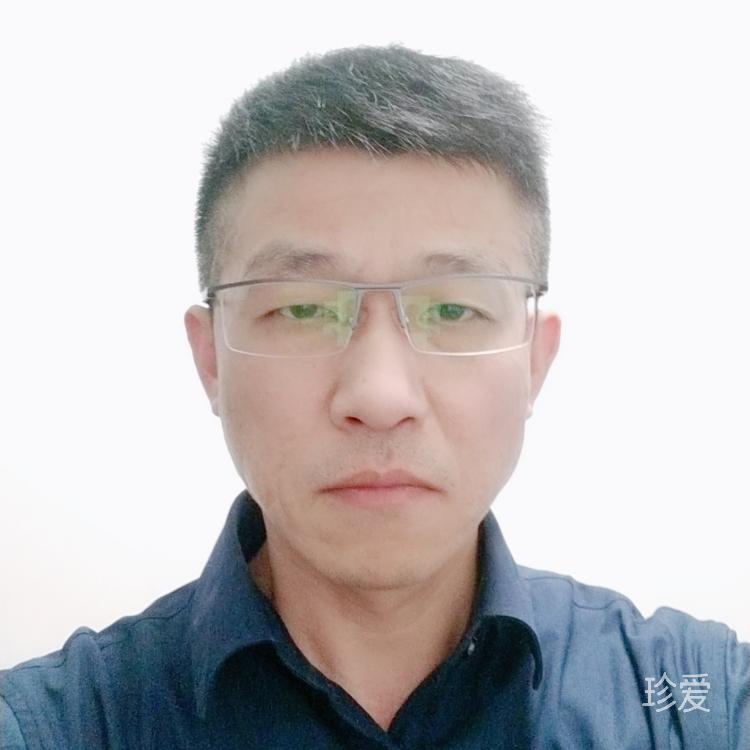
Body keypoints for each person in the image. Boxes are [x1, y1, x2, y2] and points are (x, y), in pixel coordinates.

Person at [1, 44, 747, 750]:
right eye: (301, 308)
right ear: (211, 359)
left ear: (534, 359)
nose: (381, 395)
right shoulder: (56, 726)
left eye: (452, 308)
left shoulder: (695, 704)